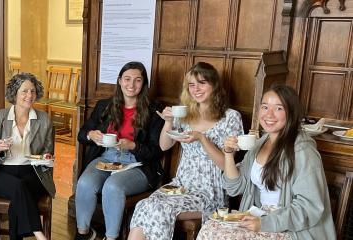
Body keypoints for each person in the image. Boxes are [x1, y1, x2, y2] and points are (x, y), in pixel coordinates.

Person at [197, 85, 336, 240]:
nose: (269, 114)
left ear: (291, 113)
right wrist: (228, 155)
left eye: (278, 108)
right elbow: (234, 188)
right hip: (259, 217)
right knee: (210, 230)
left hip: (290, 228)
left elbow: (309, 207)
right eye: (265, 107)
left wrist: (265, 223)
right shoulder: (259, 144)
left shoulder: (303, 151)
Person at [128, 62, 244, 240]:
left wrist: (202, 138)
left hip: (210, 192)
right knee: (144, 205)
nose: (196, 89)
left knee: (158, 209)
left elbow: (224, 165)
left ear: (214, 85)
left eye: (202, 83)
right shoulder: (185, 114)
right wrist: (168, 121)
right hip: (179, 187)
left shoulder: (231, 117)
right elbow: (164, 146)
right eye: (191, 85)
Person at [74, 61, 165, 240]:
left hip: (137, 164)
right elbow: (82, 134)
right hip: (107, 157)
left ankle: (111, 237)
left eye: (137, 80)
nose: (131, 85)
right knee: (84, 184)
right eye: (127, 79)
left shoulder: (155, 110)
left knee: (113, 187)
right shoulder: (104, 106)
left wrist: (133, 146)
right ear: (119, 81)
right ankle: (83, 233)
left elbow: (156, 151)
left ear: (143, 84)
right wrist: (91, 135)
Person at [0, 73, 55, 240]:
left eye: (32, 91)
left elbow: (48, 154)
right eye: (24, 91)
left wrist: (46, 157)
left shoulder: (44, 119)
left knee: (20, 189)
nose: (29, 95)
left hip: (33, 172)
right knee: (19, 187)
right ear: (14, 93)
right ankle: (39, 234)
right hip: (1, 172)